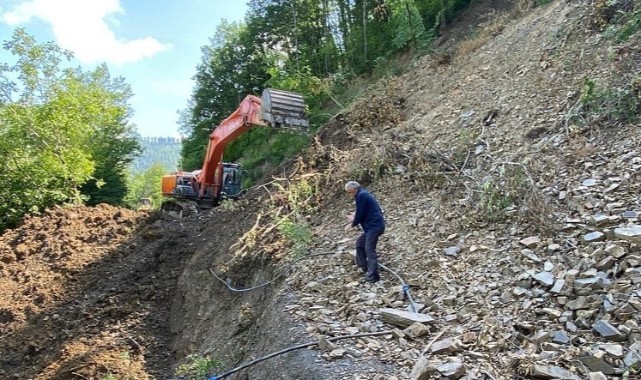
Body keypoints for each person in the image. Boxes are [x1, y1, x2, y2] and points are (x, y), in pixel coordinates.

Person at [344, 181, 385, 283]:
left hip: (374, 227)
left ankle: (373, 276)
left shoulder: (362, 196)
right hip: (371, 227)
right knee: (360, 244)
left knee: (369, 248)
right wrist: (354, 216)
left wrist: (351, 224)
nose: (349, 195)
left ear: (354, 189)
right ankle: (363, 267)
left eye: (349, 192)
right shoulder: (362, 194)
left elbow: (360, 214)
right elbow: (362, 211)